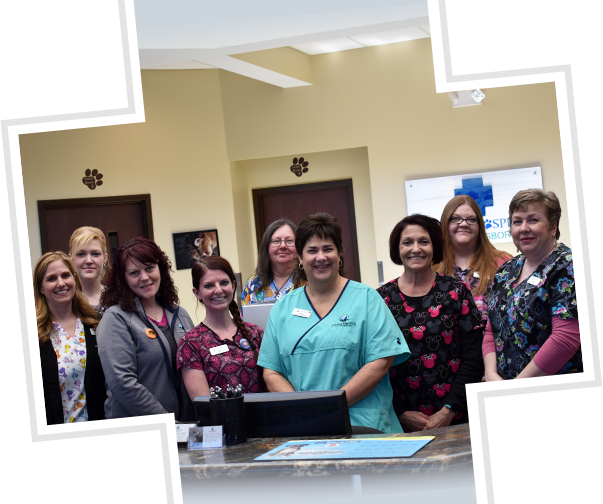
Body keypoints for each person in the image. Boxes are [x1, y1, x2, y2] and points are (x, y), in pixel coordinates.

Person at [257, 213, 410, 434]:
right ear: (299, 258)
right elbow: (271, 372)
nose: (321, 257)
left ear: (339, 254)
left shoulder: (366, 298)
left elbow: (380, 362)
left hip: (363, 426)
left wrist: (330, 407)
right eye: (312, 250)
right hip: (304, 427)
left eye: (328, 248)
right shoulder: (283, 308)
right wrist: (302, 410)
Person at [18, 252, 115, 503]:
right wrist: (28, 459)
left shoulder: (97, 325)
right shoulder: (28, 337)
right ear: (40, 287)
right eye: (51, 278)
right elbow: (17, 403)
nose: (60, 283)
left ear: (75, 278)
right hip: (50, 461)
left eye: (65, 275)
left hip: (99, 456)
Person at [377, 215, 485, 432]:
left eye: (423, 242)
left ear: (434, 247)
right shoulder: (381, 299)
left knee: (467, 467)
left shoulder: (456, 291)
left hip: (459, 415)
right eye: (407, 242)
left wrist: (449, 409)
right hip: (401, 420)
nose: (415, 249)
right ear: (397, 249)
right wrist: (400, 412)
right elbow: (375, 363)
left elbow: (474, 355)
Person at [483, 189, 584, 415]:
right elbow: (491, 330)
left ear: (553, 226)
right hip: (511, 400)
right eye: (517, 221)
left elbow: (565, 340)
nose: (524, 228)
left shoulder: (568, 267)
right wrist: (491, 376)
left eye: (534, 220)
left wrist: (516, 387)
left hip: (558, 405)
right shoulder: (506, 270)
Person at [96, 237, 195, 461]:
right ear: (123, 279)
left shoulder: (179, 314)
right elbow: (122, 381)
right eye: (134, 273)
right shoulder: (116, 318)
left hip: (182, 435)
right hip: (135, 439)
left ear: (161, 268)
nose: (144, 277)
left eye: (149, 268)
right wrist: (168, 425)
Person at [435, 195, 512, 418]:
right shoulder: (431, 268)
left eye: (471, 219)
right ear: (445, 224)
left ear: (480, 225)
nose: (463, 223)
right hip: (451, 381)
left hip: (498, 377)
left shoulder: (504, 263)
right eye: (455, 218)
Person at [177, 257, 265, 398]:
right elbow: (204, 406)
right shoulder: (191, 343)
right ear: (197, 293)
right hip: (221, 420)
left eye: (224, 283)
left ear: (233, 286)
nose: (218, 290)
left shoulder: (255, 332)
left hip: (264, 417)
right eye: (209, 285)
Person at [241, 218, 305, 306]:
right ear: (267, 248)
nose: (283, 246)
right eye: (276, 241)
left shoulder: (310, 282)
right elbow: (243, 318)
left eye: (289, 241)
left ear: (298, 247)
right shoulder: (253, 284)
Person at [68, 226, 109, 313]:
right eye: (81, 254)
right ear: (70, 259)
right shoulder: (64, 302)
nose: (89, 261)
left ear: (105, 258)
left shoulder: (118, 300)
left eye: (95, 254)